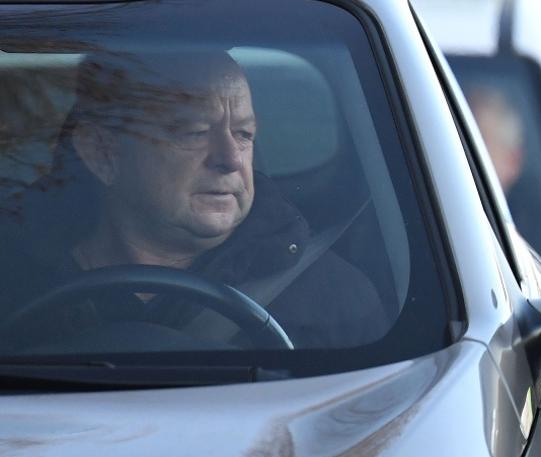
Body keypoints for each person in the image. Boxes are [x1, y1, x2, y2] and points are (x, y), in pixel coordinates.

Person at [0, 49, 387, 351]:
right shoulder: (11, 281)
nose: (231, 159)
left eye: (244, 134)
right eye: (193, 132)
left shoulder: (334, 301)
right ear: (103, 152)